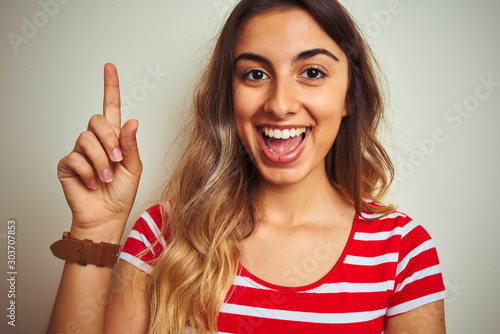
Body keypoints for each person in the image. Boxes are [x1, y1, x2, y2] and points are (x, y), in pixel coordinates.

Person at [48, 0, 447, 333]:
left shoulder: (402, 253)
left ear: (349, 95)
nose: (279, 103)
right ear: (229, 95)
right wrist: (95, 229)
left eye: (312, 72)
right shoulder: (160, 235)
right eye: (255, 74)